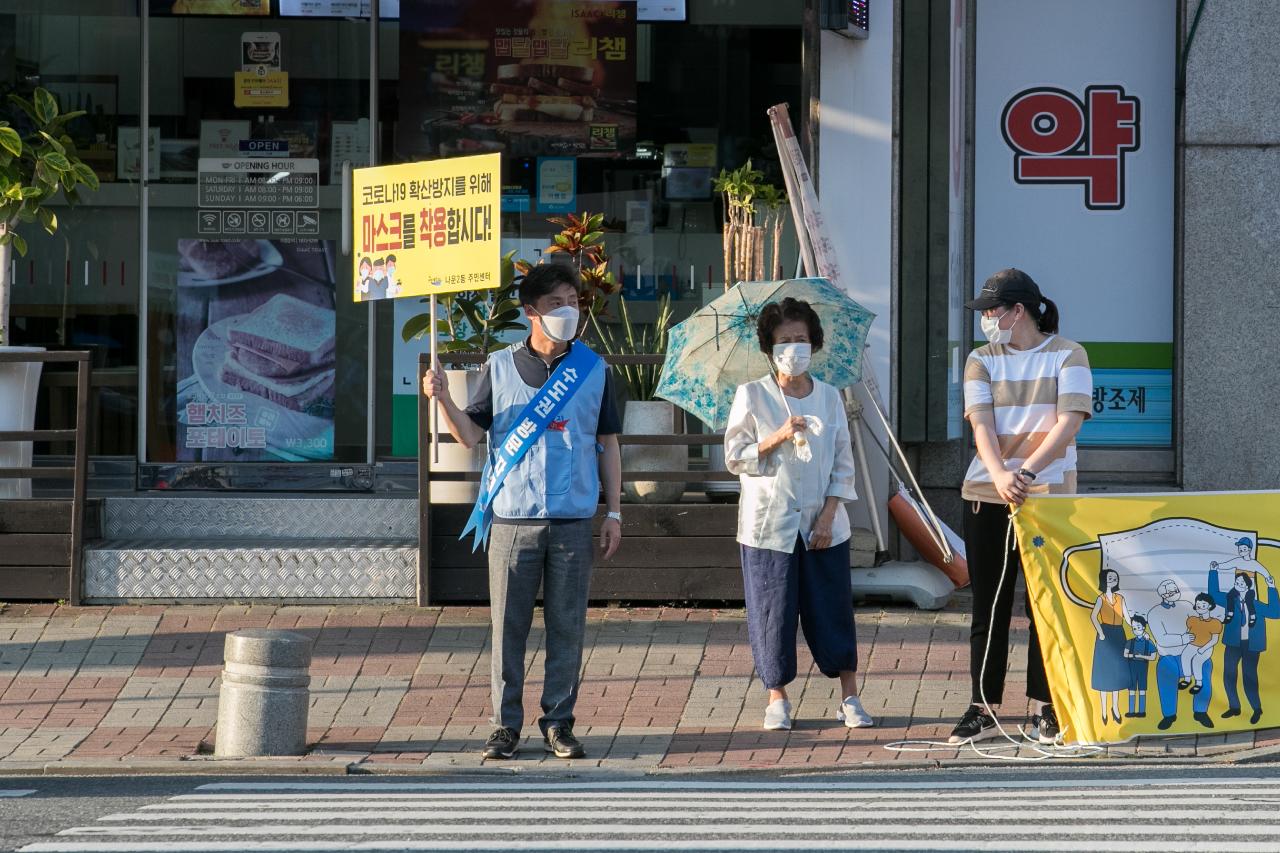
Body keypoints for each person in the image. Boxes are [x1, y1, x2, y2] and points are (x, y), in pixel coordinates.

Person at [421, 263, 623, 760]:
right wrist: (443, 398)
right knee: (507, 626)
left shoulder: (594, 370)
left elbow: (609, 443)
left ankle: (559, 722)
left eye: (573, 302)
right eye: (556, 304)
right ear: (531, 312)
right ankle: (504, 726)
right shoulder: (500, 366)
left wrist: (615, 511)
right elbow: (470, 436)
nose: (568, 312)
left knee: (568, 625)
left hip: (573, 519)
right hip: (513, 518)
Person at [949, 268, 1092, 746]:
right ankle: (981, 706)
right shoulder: (980, 359)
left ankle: (1047, 705)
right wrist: (1000, 475)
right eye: (985, 312)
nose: (987, 319)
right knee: (988, 603)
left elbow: (1070, 420)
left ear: (1019, 310)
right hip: (987, 495)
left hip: (1049, 496)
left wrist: (1026, 472)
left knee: (1045, 604)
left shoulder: (1068, 353)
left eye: (993, 311)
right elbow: (980, 425)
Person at [724, 297, 873, 732]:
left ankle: (849, 695)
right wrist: (776, 437)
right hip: (767, 527)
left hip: (825, 526)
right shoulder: (751, 395)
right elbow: (735, 458)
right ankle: (777, 698)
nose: (794, 348)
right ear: (770, 348)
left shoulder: (829, 397)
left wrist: (828, 517)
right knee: (773, 612)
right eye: (785, 341)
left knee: (832, 609)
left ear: (815, 344)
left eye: (801, 340)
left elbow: (844, 465)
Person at [1208, 558, 1278, 724]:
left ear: (1248, 585)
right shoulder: (1230, 601)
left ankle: (1256, 709)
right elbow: (1213, 594)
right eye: (1237, 581)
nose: (1239, 583)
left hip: (1252, 646)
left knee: (1250, 677)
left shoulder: (1256, 604)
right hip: (1233, 644)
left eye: (1242, 581)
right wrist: (1213, 572)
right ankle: (1234, 707)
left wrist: (1271, 587)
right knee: (1229, 676)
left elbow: (1275, 612)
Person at [1147, 579, 1214, 730]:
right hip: (1169, 655)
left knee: (1205, 668)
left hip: (1191, 651)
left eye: (1176, 590)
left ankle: (1201, 712)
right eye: (1171, 592)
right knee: (1166, 678)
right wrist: (1183, 638)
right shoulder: (1154, 613)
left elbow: (1199, 622)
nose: (1175, 594)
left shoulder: (1187, 605)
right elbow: (1161, 638)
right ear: (1163, 595)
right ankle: (1169, 715)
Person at [1090, 568, 1130, 727]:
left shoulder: (1120, 598)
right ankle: (1104, 711)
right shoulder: (1100, 598)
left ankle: (1115, 708)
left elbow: (1126, 615)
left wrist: (1134, 624)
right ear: (1103, 580)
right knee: (1103, 672)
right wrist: (1100, 632)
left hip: (1119, 633)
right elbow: (1093, 616)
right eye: (1110, 577)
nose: (1113, 579)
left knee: (1117, 672)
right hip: (1105, 634)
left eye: (1115, 577)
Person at [1180, 593, 1223, 694]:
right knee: (1185, 656)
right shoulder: (1192, 620)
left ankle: (1198, 683)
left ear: (1210, 606)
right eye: (1198, 605)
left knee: (1196, 661)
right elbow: (1187, 631)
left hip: (1206, 647)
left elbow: (1214, 640)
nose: (1200, 608)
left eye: (1203, 605)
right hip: (1192, 644)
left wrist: (1203, 649)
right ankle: (1187, 679)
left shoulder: (1215, 623)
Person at [1123, 614, 1157, 718]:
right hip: (1132, 667)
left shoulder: (1149, 642)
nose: (1136, 630)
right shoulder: (1130, 642)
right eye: (1134, 628)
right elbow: (1125, 654)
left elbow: (1153, 657)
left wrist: (1142, 656)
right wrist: (1133, 655)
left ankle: (1142, 711)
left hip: (1143, 667)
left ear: (1143, 627)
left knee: (1142, 689)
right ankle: (1131, 711)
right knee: (1132, 690)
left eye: (1138, 627)